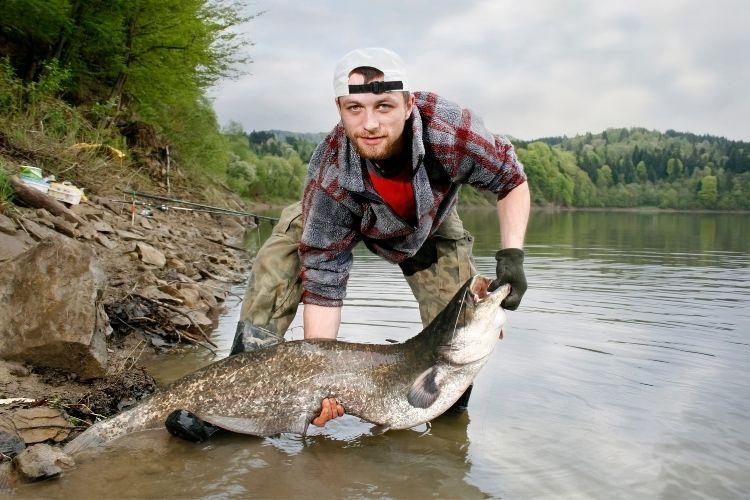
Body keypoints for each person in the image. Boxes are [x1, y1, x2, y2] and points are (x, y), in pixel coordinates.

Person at [165, 47, 530, 442]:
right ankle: (233, 397)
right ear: (339, 108)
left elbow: (511, 181)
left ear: (409, 104)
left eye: (384, 106)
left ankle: (446, 410)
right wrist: (318, 380)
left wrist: (512, 256)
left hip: (428, 226)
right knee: (280, 257)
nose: (369, 123)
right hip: (342, 217)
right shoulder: (330, 173)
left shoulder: (452, 132)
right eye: (354, 108)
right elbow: (324, 277)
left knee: (460, 321)